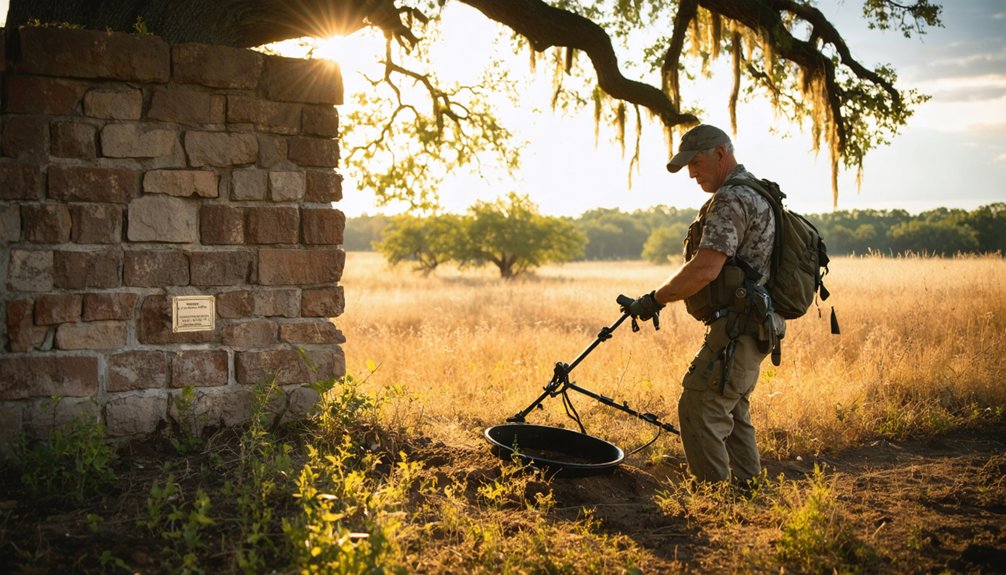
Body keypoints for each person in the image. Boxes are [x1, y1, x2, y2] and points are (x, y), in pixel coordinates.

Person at [623, 124, 781, 485]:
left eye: (695, 163)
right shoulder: (756, 191)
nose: (691, 173)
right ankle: (749, 496)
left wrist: (653, 300)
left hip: (740, 326)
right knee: (733, 412)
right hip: (754, 325)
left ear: (721, 155)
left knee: (699, 407)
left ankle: (716, 504)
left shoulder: (731, 198)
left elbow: (706, 268)